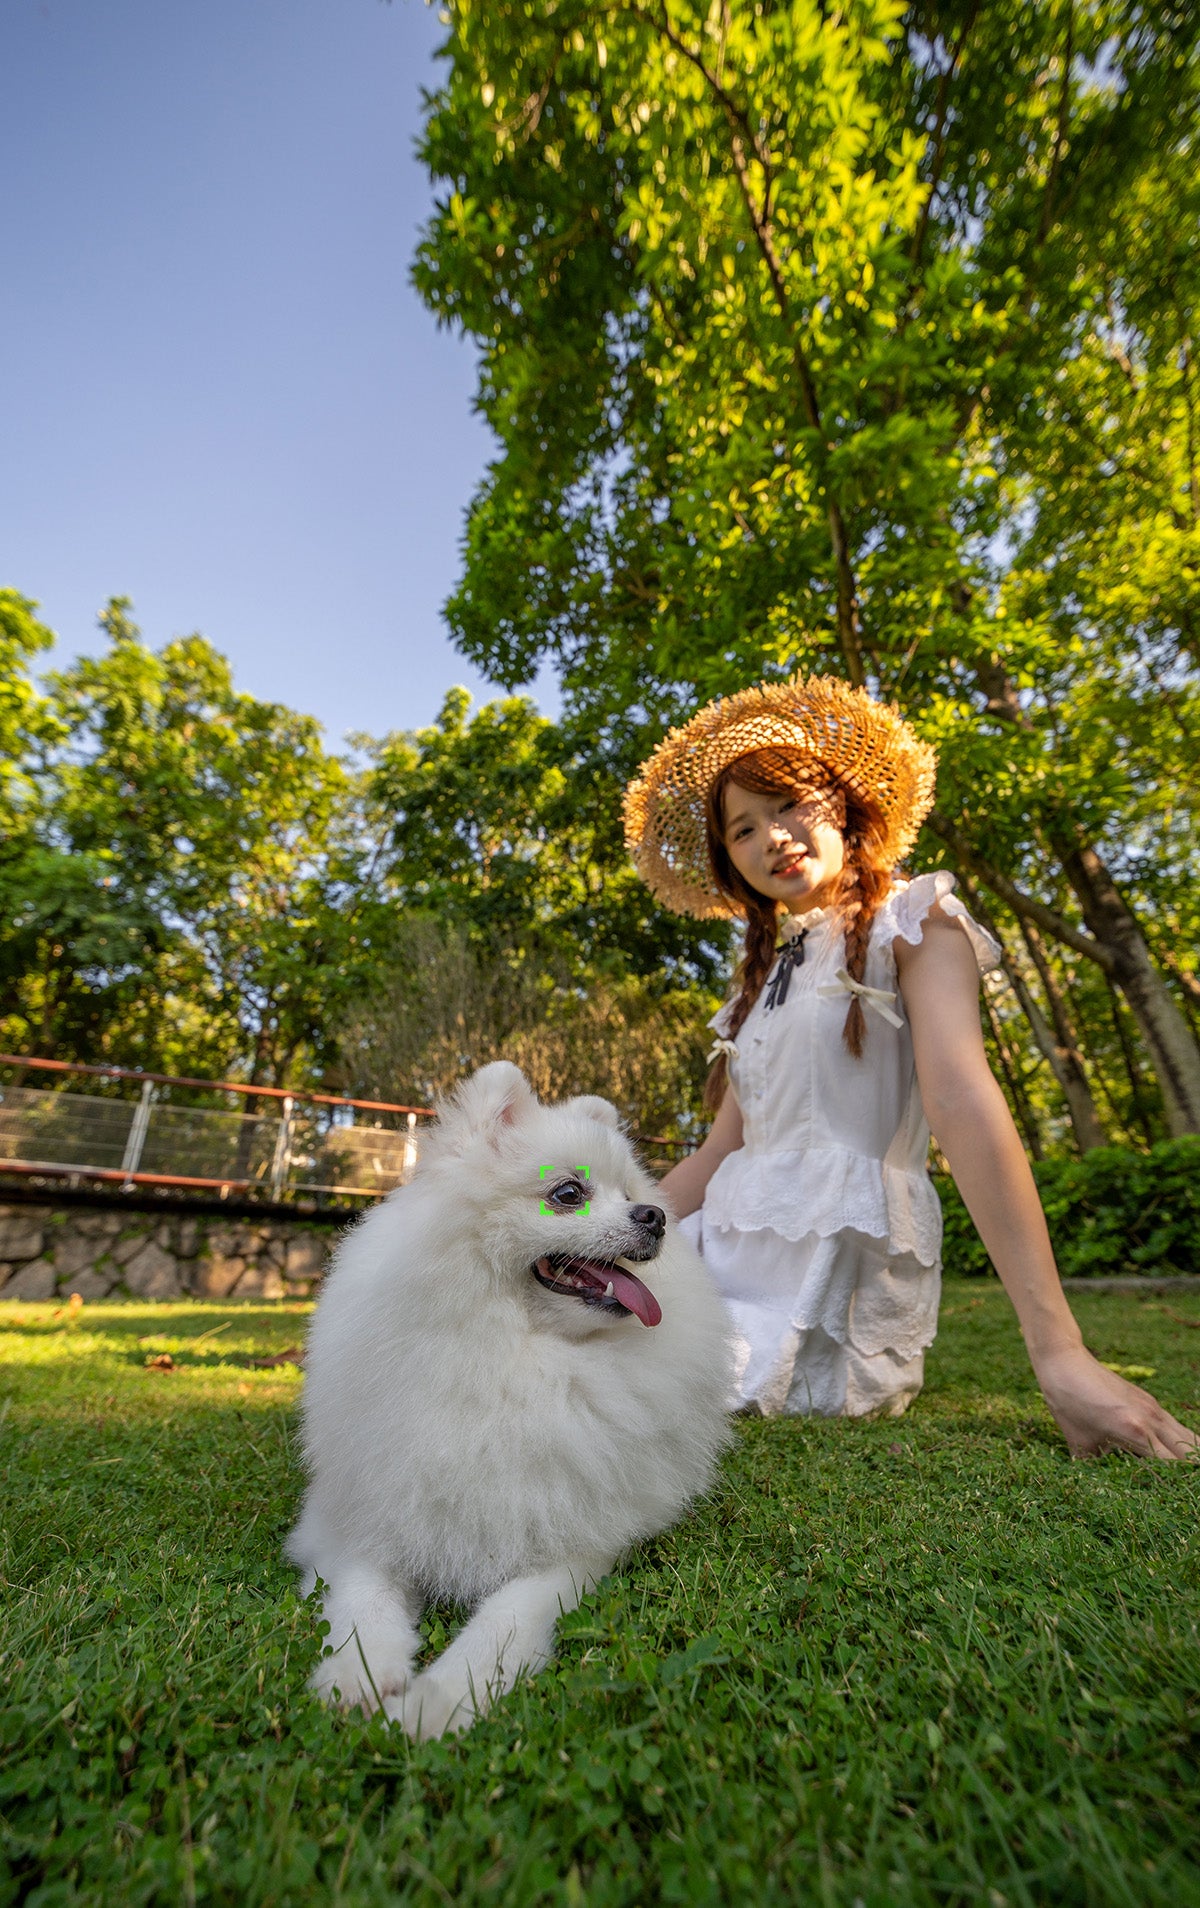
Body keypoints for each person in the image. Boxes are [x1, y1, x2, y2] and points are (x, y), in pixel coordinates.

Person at [622, 670, 1198, 1459]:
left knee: (620, 1381)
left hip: (829, 1281)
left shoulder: (914, 920)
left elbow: (963, 1100)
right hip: (715, 1253)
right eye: (743, 829)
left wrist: (1059, 1350)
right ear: (729, 860)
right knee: (538, 1328)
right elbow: (721, 1152)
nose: (772, 837)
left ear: (841, 804)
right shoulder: (757, 983)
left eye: (787, 803)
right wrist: (605, 1233)